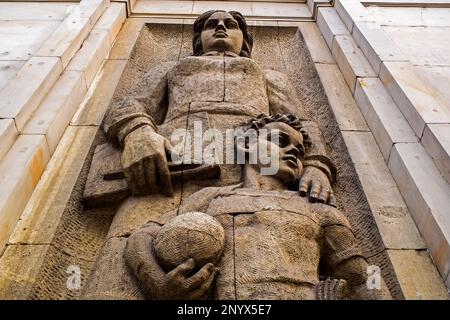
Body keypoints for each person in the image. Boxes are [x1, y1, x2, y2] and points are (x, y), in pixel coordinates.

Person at [124, 114, 388, 300]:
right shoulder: (210, 198)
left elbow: (365, 278)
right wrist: (157, 282)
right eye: (280, 141)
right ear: (246, 145)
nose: (294, 152)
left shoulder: (320, 211)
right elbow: (142, 236)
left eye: (299, 150)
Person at [103, 10, 336, 205]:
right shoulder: (172, 69)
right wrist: (137, 133)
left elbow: (302, 124)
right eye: (212, 25)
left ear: (244, 40)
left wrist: (316, 166)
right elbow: (127, 103)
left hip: (252, 172)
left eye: (231, 25)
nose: (221, 27)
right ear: (199, 39)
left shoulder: (268, 77)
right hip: (174, 169)